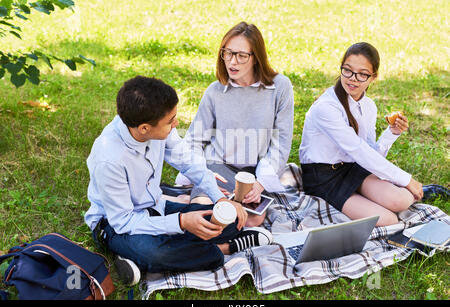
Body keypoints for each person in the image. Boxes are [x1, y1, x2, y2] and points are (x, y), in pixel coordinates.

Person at [84, 76, 272, 286]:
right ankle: (224, 249)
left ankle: (143, 256)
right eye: (170, 120)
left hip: (155, 206)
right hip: (117, 225)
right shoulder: (109, 159)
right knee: (154, 253)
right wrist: (182, 222)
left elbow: (188, 161)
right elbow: (124, 221)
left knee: (229, 221)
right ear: (145, 128)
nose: (177, 123)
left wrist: (220, 199)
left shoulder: (150, 126)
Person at [175, 21, 294, 227]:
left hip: (253, 172)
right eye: (227, 53)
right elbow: (193, 140)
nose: (232, 62)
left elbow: (281, 143)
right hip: (218, 166)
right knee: (204, 213)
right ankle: (194, 206)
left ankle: (185, 204)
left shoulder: (280, 87)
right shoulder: (215, 91)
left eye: (241, 55)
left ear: (256, 58)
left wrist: (260, 183)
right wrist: (202, 176)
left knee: (251, 220)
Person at [299, 42, 424, 227]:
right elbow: (358, 150)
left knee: (402, 200)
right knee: (388, 219)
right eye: (347, 70)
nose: (353, 79)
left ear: (373, 77)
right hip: (324, 177)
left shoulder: (368, 106)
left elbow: (369, 153)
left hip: (353, 167)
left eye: (362, 74)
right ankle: (361, 199)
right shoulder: (326, 108)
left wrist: (392, 133)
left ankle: (366, 195)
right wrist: (407, 179)